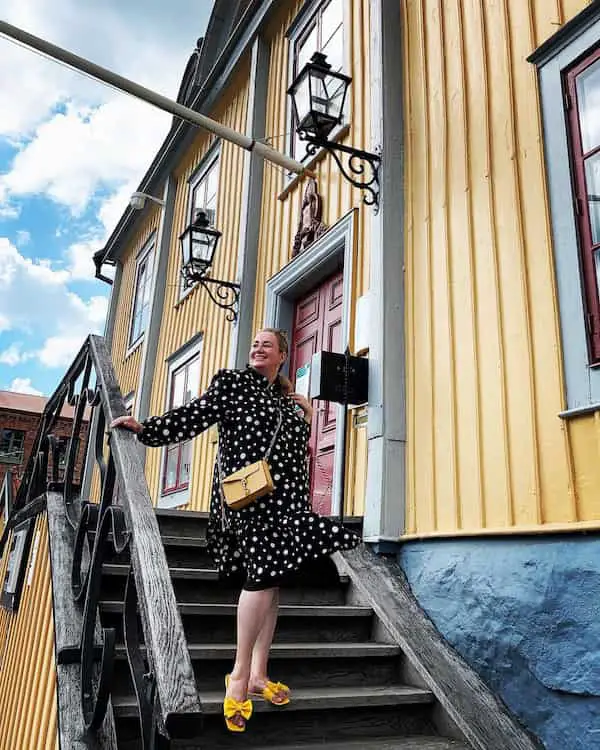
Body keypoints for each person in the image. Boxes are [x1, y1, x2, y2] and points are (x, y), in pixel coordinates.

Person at [110, 328, 360, 733]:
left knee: (272, 582)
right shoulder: (232, 382)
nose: (258, 347)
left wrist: (307, 418)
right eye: (255, 343)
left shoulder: (284, 400)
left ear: (283, 355)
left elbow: (297, 453)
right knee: (260, 578)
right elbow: (197, 413)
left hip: (285, 502)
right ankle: (239, 677)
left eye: (268, 344)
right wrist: (148, 430)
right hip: (244, 497)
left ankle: (260, 674)